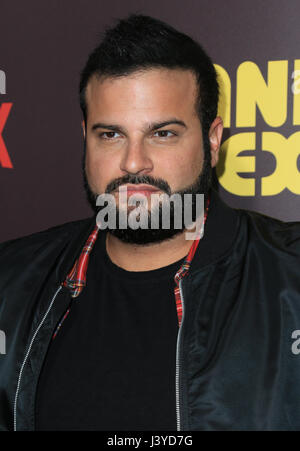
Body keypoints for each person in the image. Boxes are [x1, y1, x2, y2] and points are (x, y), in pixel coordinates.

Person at [0, 14, 300, 432]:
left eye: (162, 134)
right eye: (111, 135)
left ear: (212, 142)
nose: (133, 162)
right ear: (85, 136)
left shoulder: (291, 278)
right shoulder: (10, 283)